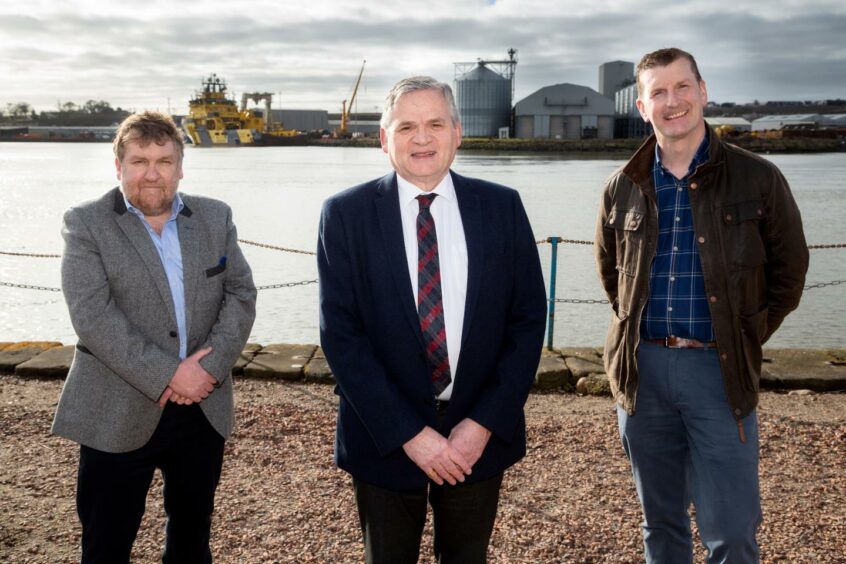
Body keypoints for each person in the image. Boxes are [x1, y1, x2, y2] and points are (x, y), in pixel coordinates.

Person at [317, 76, 547, 563]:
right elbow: (341, 336)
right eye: (406, 127)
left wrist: (482, 424)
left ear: (457, 133)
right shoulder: (344, 215)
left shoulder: (501, 206)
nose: (422, 138)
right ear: (384, 139)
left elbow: (527, 321)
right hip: (384, 437)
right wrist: (409, 434)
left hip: (477, 436)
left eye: (435, 124)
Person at [595, 48, 808, 562]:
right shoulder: (623, 185)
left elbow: (789, 275)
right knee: (660, 525)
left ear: (703, 91)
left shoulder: (757, 178)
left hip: (718, 369)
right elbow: (610, 275)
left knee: (731, 530)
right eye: (659, 93)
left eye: (682, 87)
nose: (673, 102)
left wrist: (742, 333)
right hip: (644, 372)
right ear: (642, 107)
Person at [52, 110, 257, 563]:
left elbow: (241, 294)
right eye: (139, 160)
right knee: (106, 544)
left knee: (191, 539)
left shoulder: (215, 217)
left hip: (202, 407)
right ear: (119, 167)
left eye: (164, 161)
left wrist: (206, 369)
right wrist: (168, 374)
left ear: (180, 167)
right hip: (117, 406)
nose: (151, 173)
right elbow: (91, 316)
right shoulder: (87, 223)